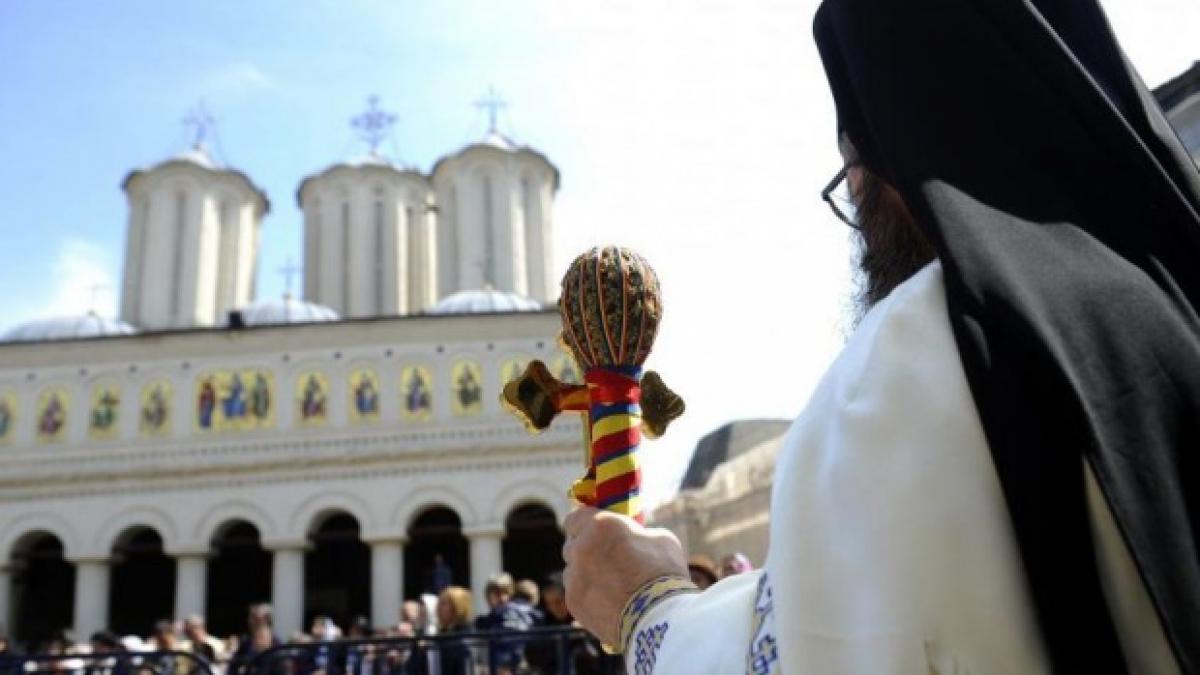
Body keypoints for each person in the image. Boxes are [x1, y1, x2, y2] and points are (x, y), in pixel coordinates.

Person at [560, 1, 1200, 672]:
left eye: (849, 175)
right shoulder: (1175, 301)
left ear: (898, 148)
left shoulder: (915, 363)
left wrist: (646, 603)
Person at [433, 587, 474, 675]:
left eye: (444, 604)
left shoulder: (467, 635)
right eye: (439, 603)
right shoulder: (441, 634)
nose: (438, 608)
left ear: (457, 607)